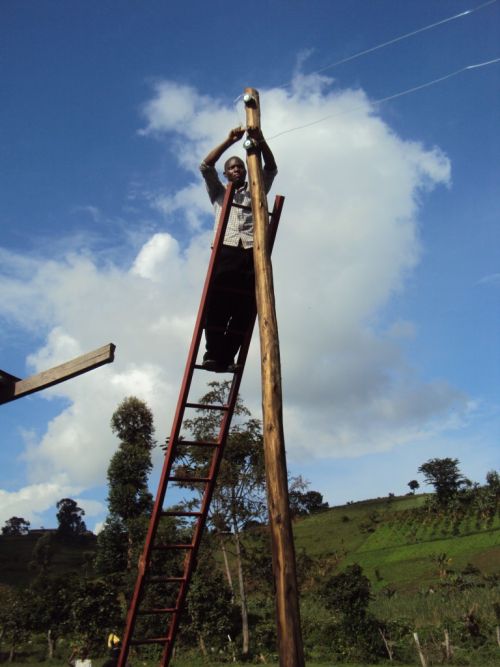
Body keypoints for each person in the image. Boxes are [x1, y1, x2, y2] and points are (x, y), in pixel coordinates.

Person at [199, 126, 278, 372]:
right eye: (232, 168)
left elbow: (271, 167)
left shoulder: (257, 189)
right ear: (226, 174)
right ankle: (213, 353)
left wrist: (260, 141)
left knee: (244, 306)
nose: (237, 170)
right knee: (218, 302)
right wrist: (230, 140)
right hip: (227, 248)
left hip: (252, 251)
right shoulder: (219, 193)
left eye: (239, 167)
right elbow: (205, 166)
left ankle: (228, 356)